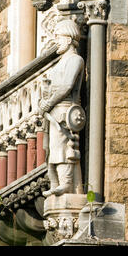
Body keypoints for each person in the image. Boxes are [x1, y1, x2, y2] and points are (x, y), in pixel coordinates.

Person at [39, 18, 85, 196]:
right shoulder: (60, 62)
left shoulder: (75, 59)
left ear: (68, 39)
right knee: (51, 149)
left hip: (65, 110)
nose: (55, 40)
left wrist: (49, 102)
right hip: (54, 111)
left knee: (64, 147)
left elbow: (66, 85)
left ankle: (66, 183)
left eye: (58, 37)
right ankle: (55, 182)